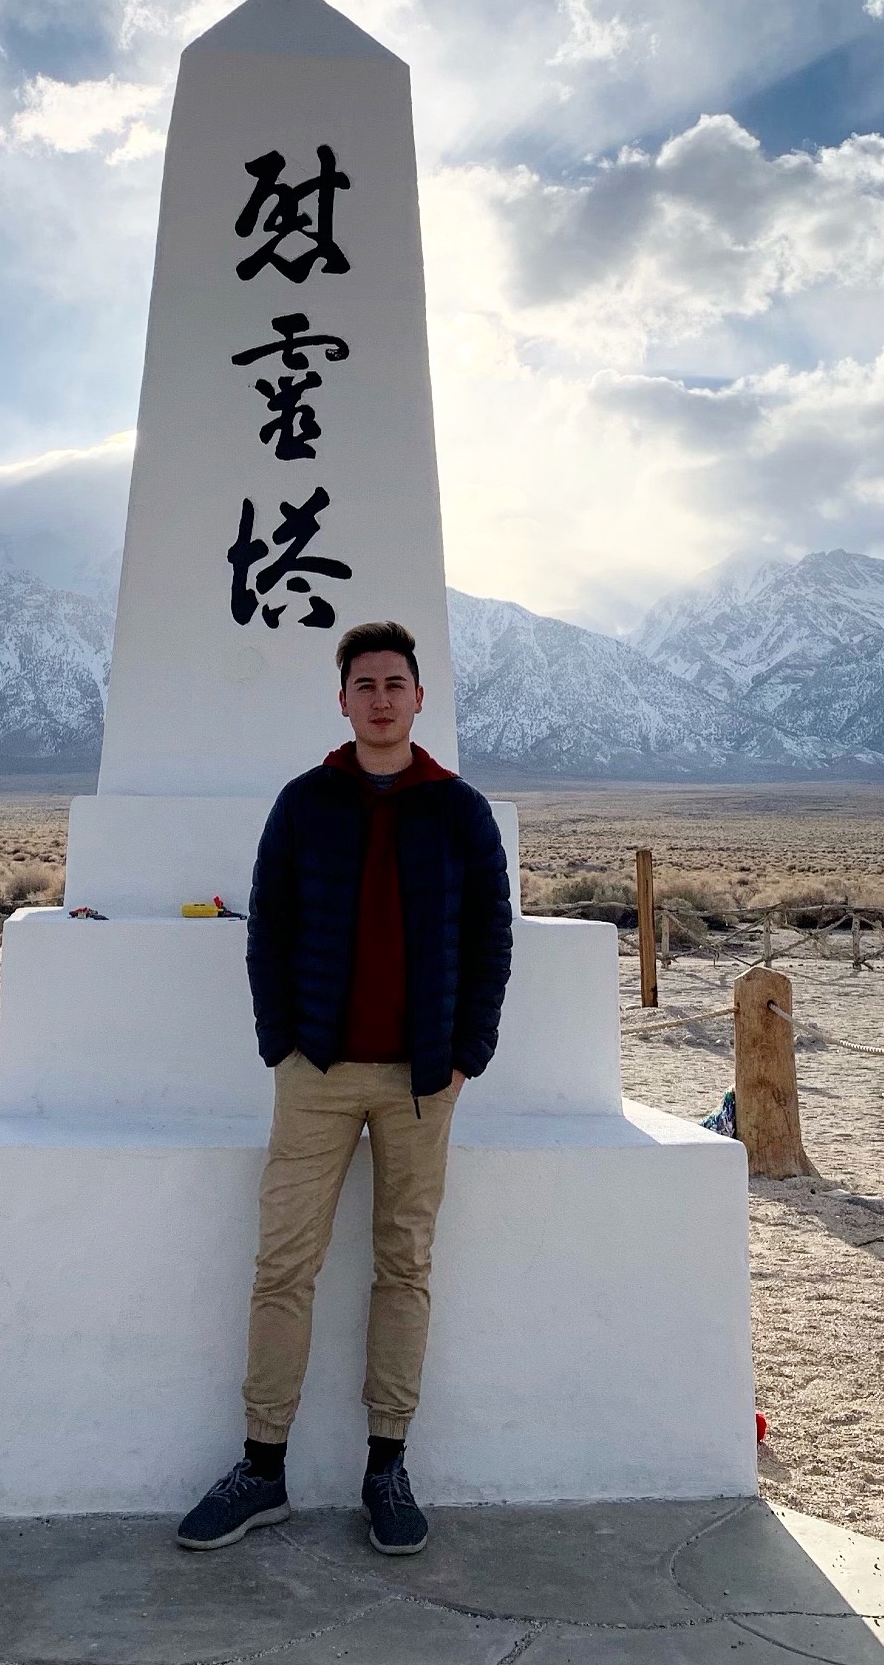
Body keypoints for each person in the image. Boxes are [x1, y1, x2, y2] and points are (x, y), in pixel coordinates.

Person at [176, 619, 514, 1556]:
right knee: (284, 1265)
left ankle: (386, 1465)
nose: (379, 697)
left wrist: (465, 1053)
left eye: (394, 682)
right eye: (363, 683)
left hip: (421, 1080)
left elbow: (492, 937)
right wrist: (282, 1042)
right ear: (343, 699)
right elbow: (269, 930)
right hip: (316, 1073)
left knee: (404, 1265)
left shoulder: (459, 810)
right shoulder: (304, 802)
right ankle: (261, 1466)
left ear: (417, 696)